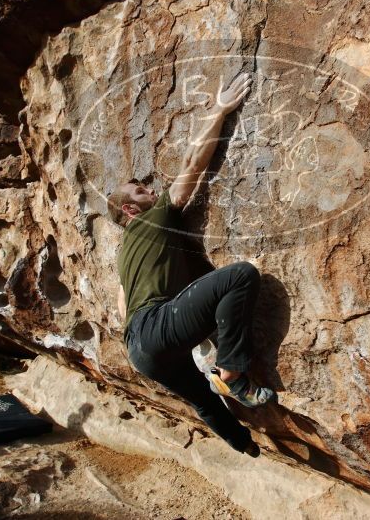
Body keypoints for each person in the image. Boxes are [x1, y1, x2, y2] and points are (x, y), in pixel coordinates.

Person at [107, 72, 275, 457]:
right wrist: (221, 109)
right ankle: (231, 371)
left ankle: (243, 444)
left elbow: (121, 303)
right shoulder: (154, 217)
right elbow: (191, 166)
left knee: (201, 400)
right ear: (130, 209)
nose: (151, 189)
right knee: (241, 275)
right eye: (141, 191)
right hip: (155, 328)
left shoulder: (124, 252)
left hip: (139, 351)